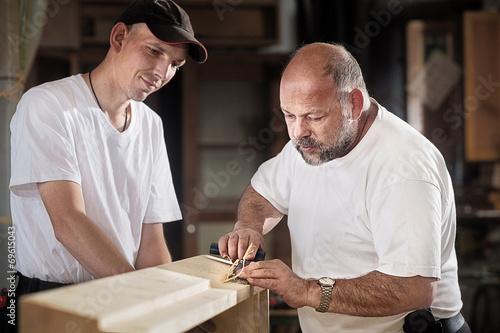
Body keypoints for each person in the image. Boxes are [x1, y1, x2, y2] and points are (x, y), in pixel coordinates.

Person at [217, 42, 470, 333]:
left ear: (354, 104)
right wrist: (248, 225)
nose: (298, 132)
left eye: (314, 117)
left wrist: (307, 291)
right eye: (289, 115)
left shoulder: (402, 168)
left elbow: (414, 288)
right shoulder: (310, 144)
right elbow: (263, 192)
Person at [10, 0, 206, 298]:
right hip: (50, 298)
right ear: (119, 38)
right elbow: (67, 222)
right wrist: (141, 295)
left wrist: (168, 303)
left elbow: (151, 241)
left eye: (175, 65)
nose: (162, 71)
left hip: (121, 295)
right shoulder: (49, 105)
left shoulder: (151, 125)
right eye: (154, 50)